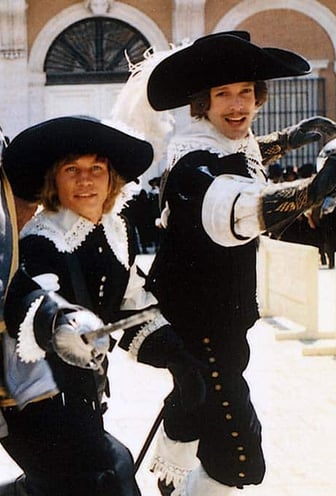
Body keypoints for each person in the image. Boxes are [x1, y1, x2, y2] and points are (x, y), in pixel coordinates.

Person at [138, 31, 336, 495]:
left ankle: (172, 474)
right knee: (239, 455)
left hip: (217, 325)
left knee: (199, 411)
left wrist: (287, 140)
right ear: (202, 103)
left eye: (245, 92)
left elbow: (242, 155)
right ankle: (176, 478)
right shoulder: (194, 165)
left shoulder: (217, 147)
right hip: (200, 327)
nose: (237, 105)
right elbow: (239, 204)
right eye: (223, 94)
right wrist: (315, 188)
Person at [0, 115, 197, 496]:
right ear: (54, 181)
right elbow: (32, 306)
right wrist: (61, 323)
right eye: (72, 170)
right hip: (33, 404)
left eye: (96, 169)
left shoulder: (118, 232)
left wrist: (178, 359)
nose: (85, 180)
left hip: (84, 399)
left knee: (101, 476)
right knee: (112, 477)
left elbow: (131, 309)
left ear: (111, 179)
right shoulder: (40, 241)